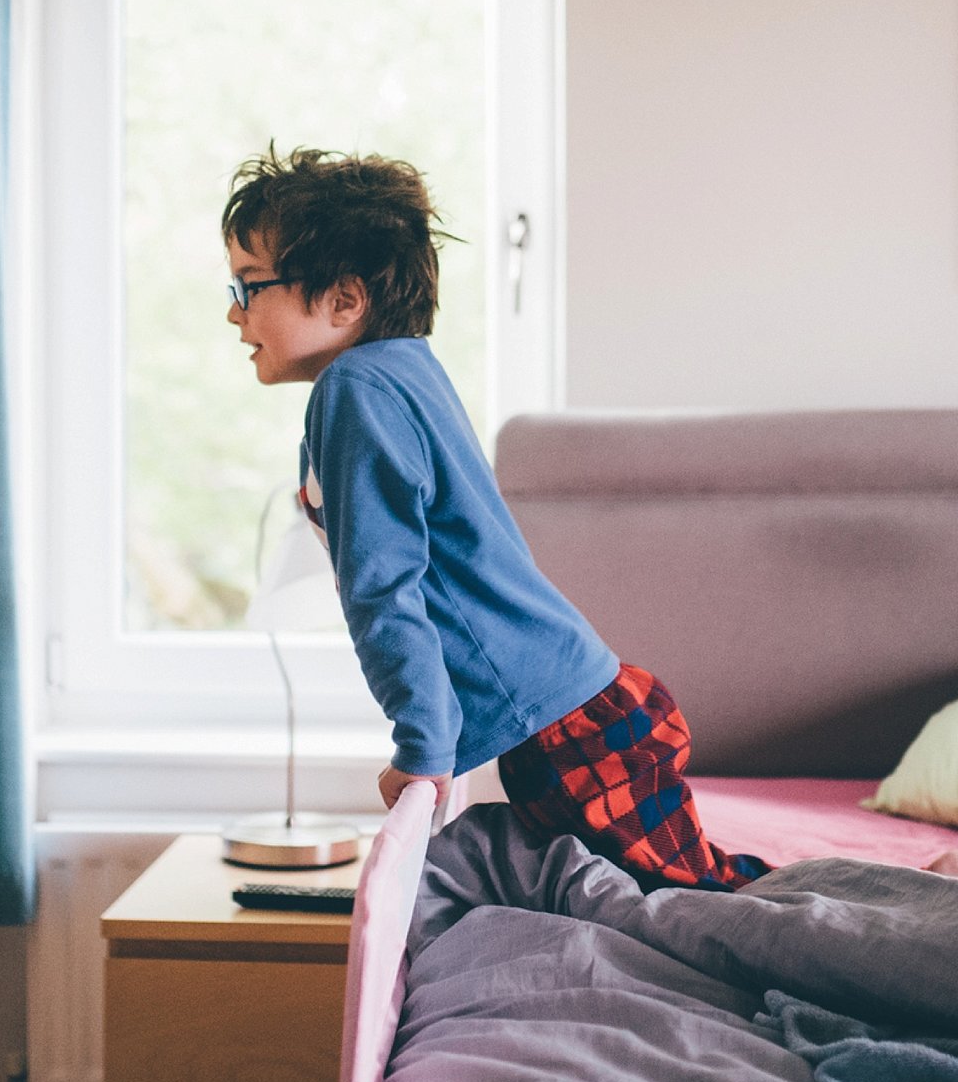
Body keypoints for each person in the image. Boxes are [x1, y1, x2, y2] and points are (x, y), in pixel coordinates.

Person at [219, 144, 771, 891]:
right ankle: (887, 896)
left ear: (345, 300)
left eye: (251, 286)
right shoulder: (401, 370)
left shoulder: (356, 390)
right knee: (700, 891)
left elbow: (387, 590)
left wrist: (423, 746)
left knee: (706, 910)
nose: (233, 311)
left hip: (573, 732)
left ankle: (903, 906)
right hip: (577, 717)